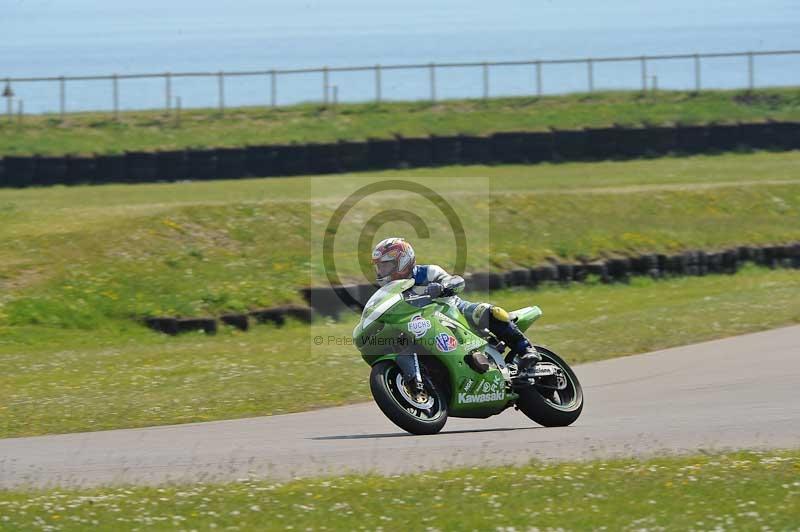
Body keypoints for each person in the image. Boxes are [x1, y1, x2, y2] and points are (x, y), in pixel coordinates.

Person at [371, 237, 541, 373]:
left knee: (488, 311)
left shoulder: (428, 272)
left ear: (402, 261)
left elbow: (457, 281)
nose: (382, 271)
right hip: (423, 323)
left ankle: (526, 349)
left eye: (386, 265)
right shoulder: (389, 290)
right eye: (380, 267)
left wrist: (443, 287)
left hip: (454, 310)